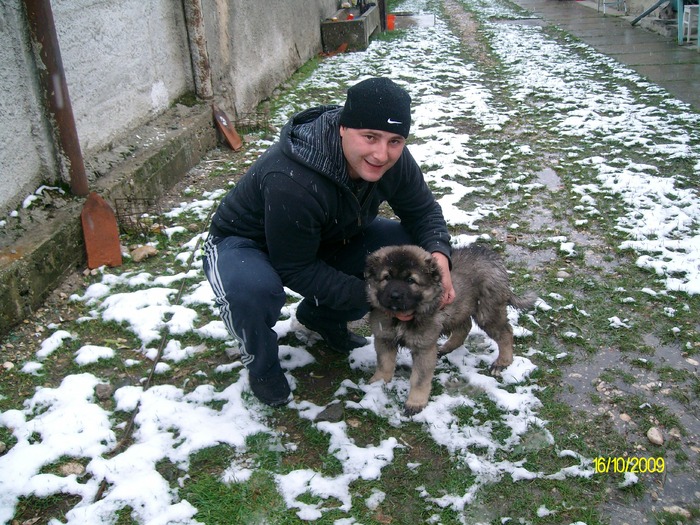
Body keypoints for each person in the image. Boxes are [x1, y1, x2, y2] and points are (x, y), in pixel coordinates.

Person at [203, 77, 455, 406]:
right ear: (342, 128)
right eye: (370, 137)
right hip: (244, 245)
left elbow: (423, 212)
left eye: (395, 141)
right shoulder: (292, 179)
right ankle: (261, 363)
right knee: (253, 290)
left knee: (408, 252)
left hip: (323, 236)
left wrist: (440, 258)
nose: (382, 153)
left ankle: (321, 317)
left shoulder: (394, 160)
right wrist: (376, 297)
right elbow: (293, 266)